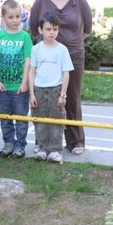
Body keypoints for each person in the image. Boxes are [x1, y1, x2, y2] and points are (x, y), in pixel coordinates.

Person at [29, 0, 93, 155]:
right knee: (44, 98)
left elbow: (87, 30)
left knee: (71, 98)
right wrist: (50, 47)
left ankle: (75, 141)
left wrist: (65, 45)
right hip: (46, 58)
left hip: (72, 56)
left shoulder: (79, 0)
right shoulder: (41, 0)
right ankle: (44, 142)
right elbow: (33, 28)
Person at [0, 0, 33, 159]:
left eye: (18, 16)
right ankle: (8, 143)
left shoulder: (25, 37)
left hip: (19, 87)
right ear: (3, 17)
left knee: (21, 118)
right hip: (3, 87)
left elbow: (28, 60)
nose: (15, 20)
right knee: (5, 117)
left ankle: (20, 145)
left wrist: (24, 83)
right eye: (11, 17)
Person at [29, 14, 73, 163]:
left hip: (56, 90)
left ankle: (55, 150)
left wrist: (63, 94)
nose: (51, 32)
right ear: (40, 30)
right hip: (39, 90)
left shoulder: (62, 50)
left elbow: (65, 73)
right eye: (48, 29)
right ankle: (41, 148)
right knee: (40, 120)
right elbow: (32, 71)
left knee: (56, 120)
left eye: (55, 29)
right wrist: (32, 94)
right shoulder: (35, 49)